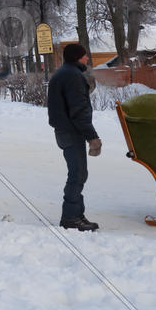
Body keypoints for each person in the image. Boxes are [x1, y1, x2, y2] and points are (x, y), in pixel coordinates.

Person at [47, 43, 102, 232]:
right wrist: (92, 137)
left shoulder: (63, 73)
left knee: (78, 173)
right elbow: (79, 111)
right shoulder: (73, 76)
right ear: (77, 57)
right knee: (77, 174)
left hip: (64, 131)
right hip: (71, 131)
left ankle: (77, 214)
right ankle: (70, 218)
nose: (87, 58)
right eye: (84, 55)